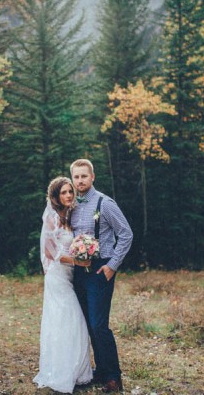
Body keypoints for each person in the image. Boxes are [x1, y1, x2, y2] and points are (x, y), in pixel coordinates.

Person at [70, 159, 133, 393]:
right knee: (88, 324)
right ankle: (101, 370)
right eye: (76, 177)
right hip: (79, 272)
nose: (80, 181)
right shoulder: (72, 204)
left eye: (84, 176)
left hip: (101, 270)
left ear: (92, 177)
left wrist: (112, 266)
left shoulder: (105, 203)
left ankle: (114, 377)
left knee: (99, 325)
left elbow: (126, 234)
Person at [33, 177, 93, 394]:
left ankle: (77, 371)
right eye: (64, 193)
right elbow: (50, 252)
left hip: (69, 276)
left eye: (70, 191)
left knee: (70, 321)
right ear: (56, 197)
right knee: (69, 319)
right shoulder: (51, 219)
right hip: (57, 277)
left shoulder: (69, 216)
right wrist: (77, 260)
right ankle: (62, 372)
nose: (68, 195)